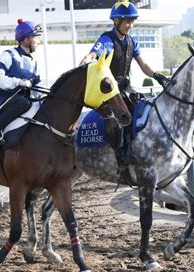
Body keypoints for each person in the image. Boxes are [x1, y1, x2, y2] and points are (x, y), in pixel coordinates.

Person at [79, 1, 170, 166]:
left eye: (132, 21)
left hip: (127, 87)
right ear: (116, 21)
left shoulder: (132, 41)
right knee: (119, 116)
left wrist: (159, 77)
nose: (131, 25)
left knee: (146, 110)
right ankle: (120, 153)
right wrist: (86, 61)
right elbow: (93, 54)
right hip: (110, 91)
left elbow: (144, 65)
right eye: (128, 21)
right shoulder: (107, 39)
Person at [0, 19, 42, 145]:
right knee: (23, 102)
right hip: (4, 100)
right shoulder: (8, 55)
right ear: (26, 40)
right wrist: (19, 82)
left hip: (23, 100)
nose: (38, 42)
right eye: (36, 38)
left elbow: (37, 86)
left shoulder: (34, 62)